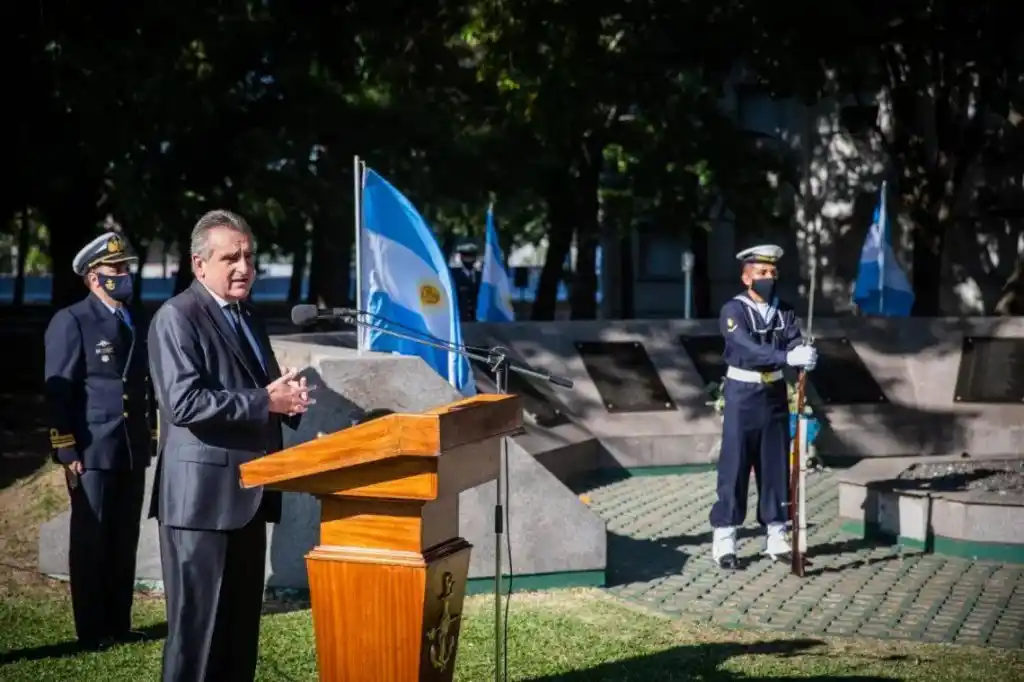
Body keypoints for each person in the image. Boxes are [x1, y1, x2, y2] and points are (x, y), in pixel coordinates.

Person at [147, 209, 315, 682]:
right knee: (198, 636)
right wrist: (266, 399)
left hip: (249, 494)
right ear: (200, 265)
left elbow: (261, 390)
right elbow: (184, 403)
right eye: (230, 258)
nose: (244, 267)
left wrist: (287, 401)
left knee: (240, 633)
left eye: (248, 256)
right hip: (200, 502)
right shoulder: (176, 318)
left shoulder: (248, 315)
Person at [43, 232, 154, 651]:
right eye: (116, 270)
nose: (124, 276)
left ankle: (119, 623)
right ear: (94, 278)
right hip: (92, 447)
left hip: (129, 446)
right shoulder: (71, 321)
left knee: (123, 537)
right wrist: (66, 446)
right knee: (92, 539)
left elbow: (142, 383)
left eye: (127, 268)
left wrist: (150, 435)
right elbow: (60, 390)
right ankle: (91, 630)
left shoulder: (133, 318)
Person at [709, 244, 817, 570]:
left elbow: (794, 339)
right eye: (761, 273)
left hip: (773, 394)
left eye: (772, 273)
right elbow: (747, 347)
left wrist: (806, 354)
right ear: (747, 278)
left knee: (775, 466)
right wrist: (787, 357)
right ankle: (725, 540)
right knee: (736, 465)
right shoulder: (733, 311)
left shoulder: (785, 311)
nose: (768, 277)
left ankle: (776, 535)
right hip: (743, 394)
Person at [450, 240, 480, 322]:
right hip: (460, 318)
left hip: (478, 319)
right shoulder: (453, 275)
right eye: (466, 256)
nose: (469, 260)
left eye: (472, 256)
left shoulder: (481, 275)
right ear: (461, 257)